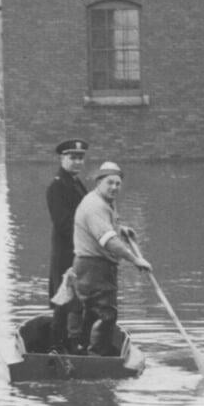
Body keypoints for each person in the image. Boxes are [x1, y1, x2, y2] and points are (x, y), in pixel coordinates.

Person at [71, 162, 151, 356]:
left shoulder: (104, 201)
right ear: (99, 182)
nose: (115, 187)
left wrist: (120, 230)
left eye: (118, 183)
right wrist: (135, 260)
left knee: (90, 312)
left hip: (88, 265)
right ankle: (99, 356)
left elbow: (105, 228)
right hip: (95, 266)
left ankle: (82, 351)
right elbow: (108, 241)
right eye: (110, 183)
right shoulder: (95, 205)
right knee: (107, 314)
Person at [46, 138, 89, 350]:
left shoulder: (77, 183)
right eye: (72, 157)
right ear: (62, 158)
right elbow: (63, 224)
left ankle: (73, 344)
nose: (77, 162)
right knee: (64, 301)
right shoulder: (57, 186)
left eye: (80, 158)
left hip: (80, 251)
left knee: (77, 301)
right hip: (66, 253)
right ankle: (56, 348)